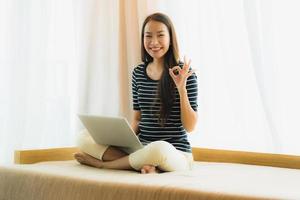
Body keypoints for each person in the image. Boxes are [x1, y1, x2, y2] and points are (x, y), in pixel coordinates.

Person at [74, 12, 198, 174]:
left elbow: (190, 127)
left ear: (170, 38)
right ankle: (144, 164)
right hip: (141, 148)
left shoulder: (184, 73)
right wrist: (120, 139)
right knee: (83, 137)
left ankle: (105, 165)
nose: (154, 42)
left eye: (160, 35)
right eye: (148, 36)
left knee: (158, 148)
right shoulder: (138, 73)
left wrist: (181, 89)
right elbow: (138, 119)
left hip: (175, 153)